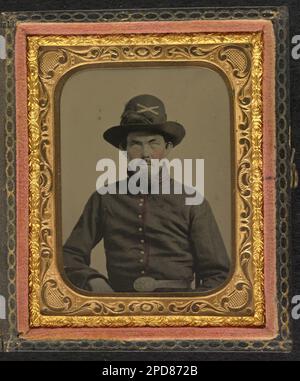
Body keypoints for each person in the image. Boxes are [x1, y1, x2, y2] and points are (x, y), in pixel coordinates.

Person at [63, 94, 230, 293]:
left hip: (178, 312)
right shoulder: (104, 198)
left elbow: (218, 275)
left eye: (153, 143)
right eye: (136, 144)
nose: (145, 154)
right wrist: (93, 281)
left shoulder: (193, 201)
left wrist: (188, 310)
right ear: (123, 149)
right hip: (119, 311)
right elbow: (69, 256)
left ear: (167, 148)